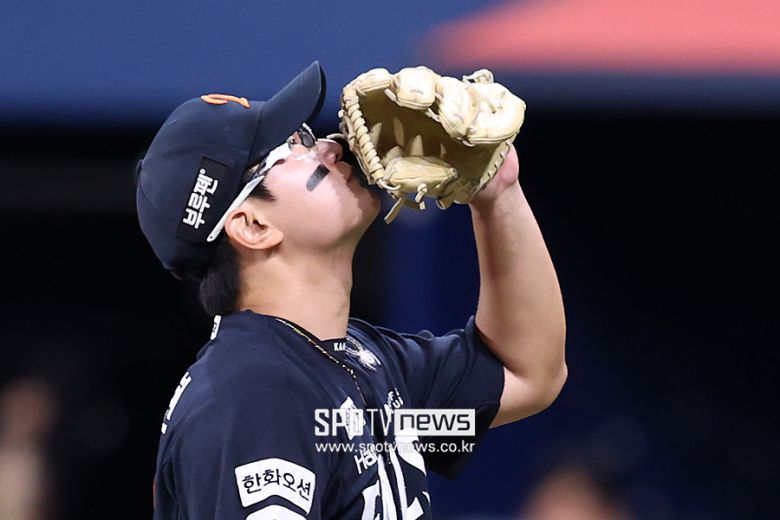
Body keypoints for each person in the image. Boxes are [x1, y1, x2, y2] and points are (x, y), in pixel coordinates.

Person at [136, 61, 567, 520]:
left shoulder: (356, 359)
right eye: (291, 147)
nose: (329, 145)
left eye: (304, 134)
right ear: (253, 226)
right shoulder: (255, 397)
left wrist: (497, 191)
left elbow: (528, 376)